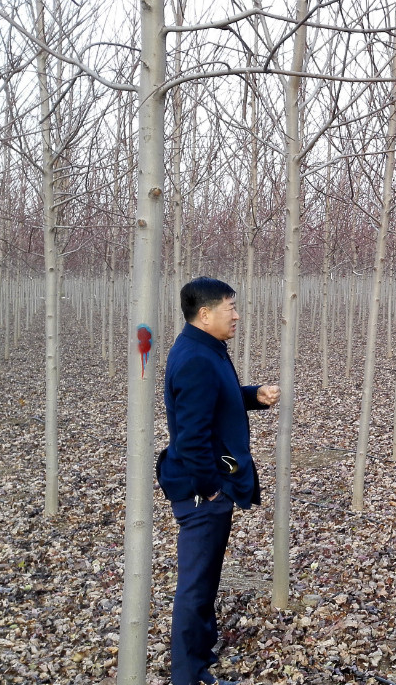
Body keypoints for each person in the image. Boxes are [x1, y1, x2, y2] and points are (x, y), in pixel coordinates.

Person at [155, 277, 280, 685]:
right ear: (205, 313)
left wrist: (252, 395)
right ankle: (188, 676)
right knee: (196, 586)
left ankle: (200, 662)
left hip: (207, 488)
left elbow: (215, 398)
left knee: (206, 580)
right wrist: (211, 486)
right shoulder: (195, 357)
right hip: (201, 492)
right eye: (231, 307)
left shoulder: (204, 349)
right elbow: (191, 438)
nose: (237, 315)